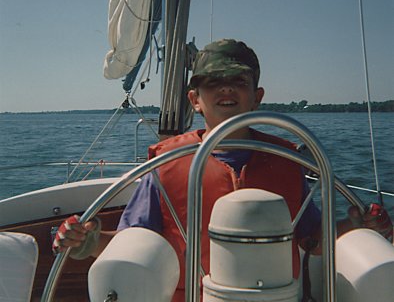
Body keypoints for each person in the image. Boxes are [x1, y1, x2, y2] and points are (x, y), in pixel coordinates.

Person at [53, 39, 393, 301]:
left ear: (256, 96)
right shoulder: (165, 166)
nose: (226, 88)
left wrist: (355, 226)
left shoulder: (288, 162)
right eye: (214, 82)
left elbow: (312, 240)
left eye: (238, 81)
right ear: (195, 100)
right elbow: (134, 243)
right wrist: (88, 241)